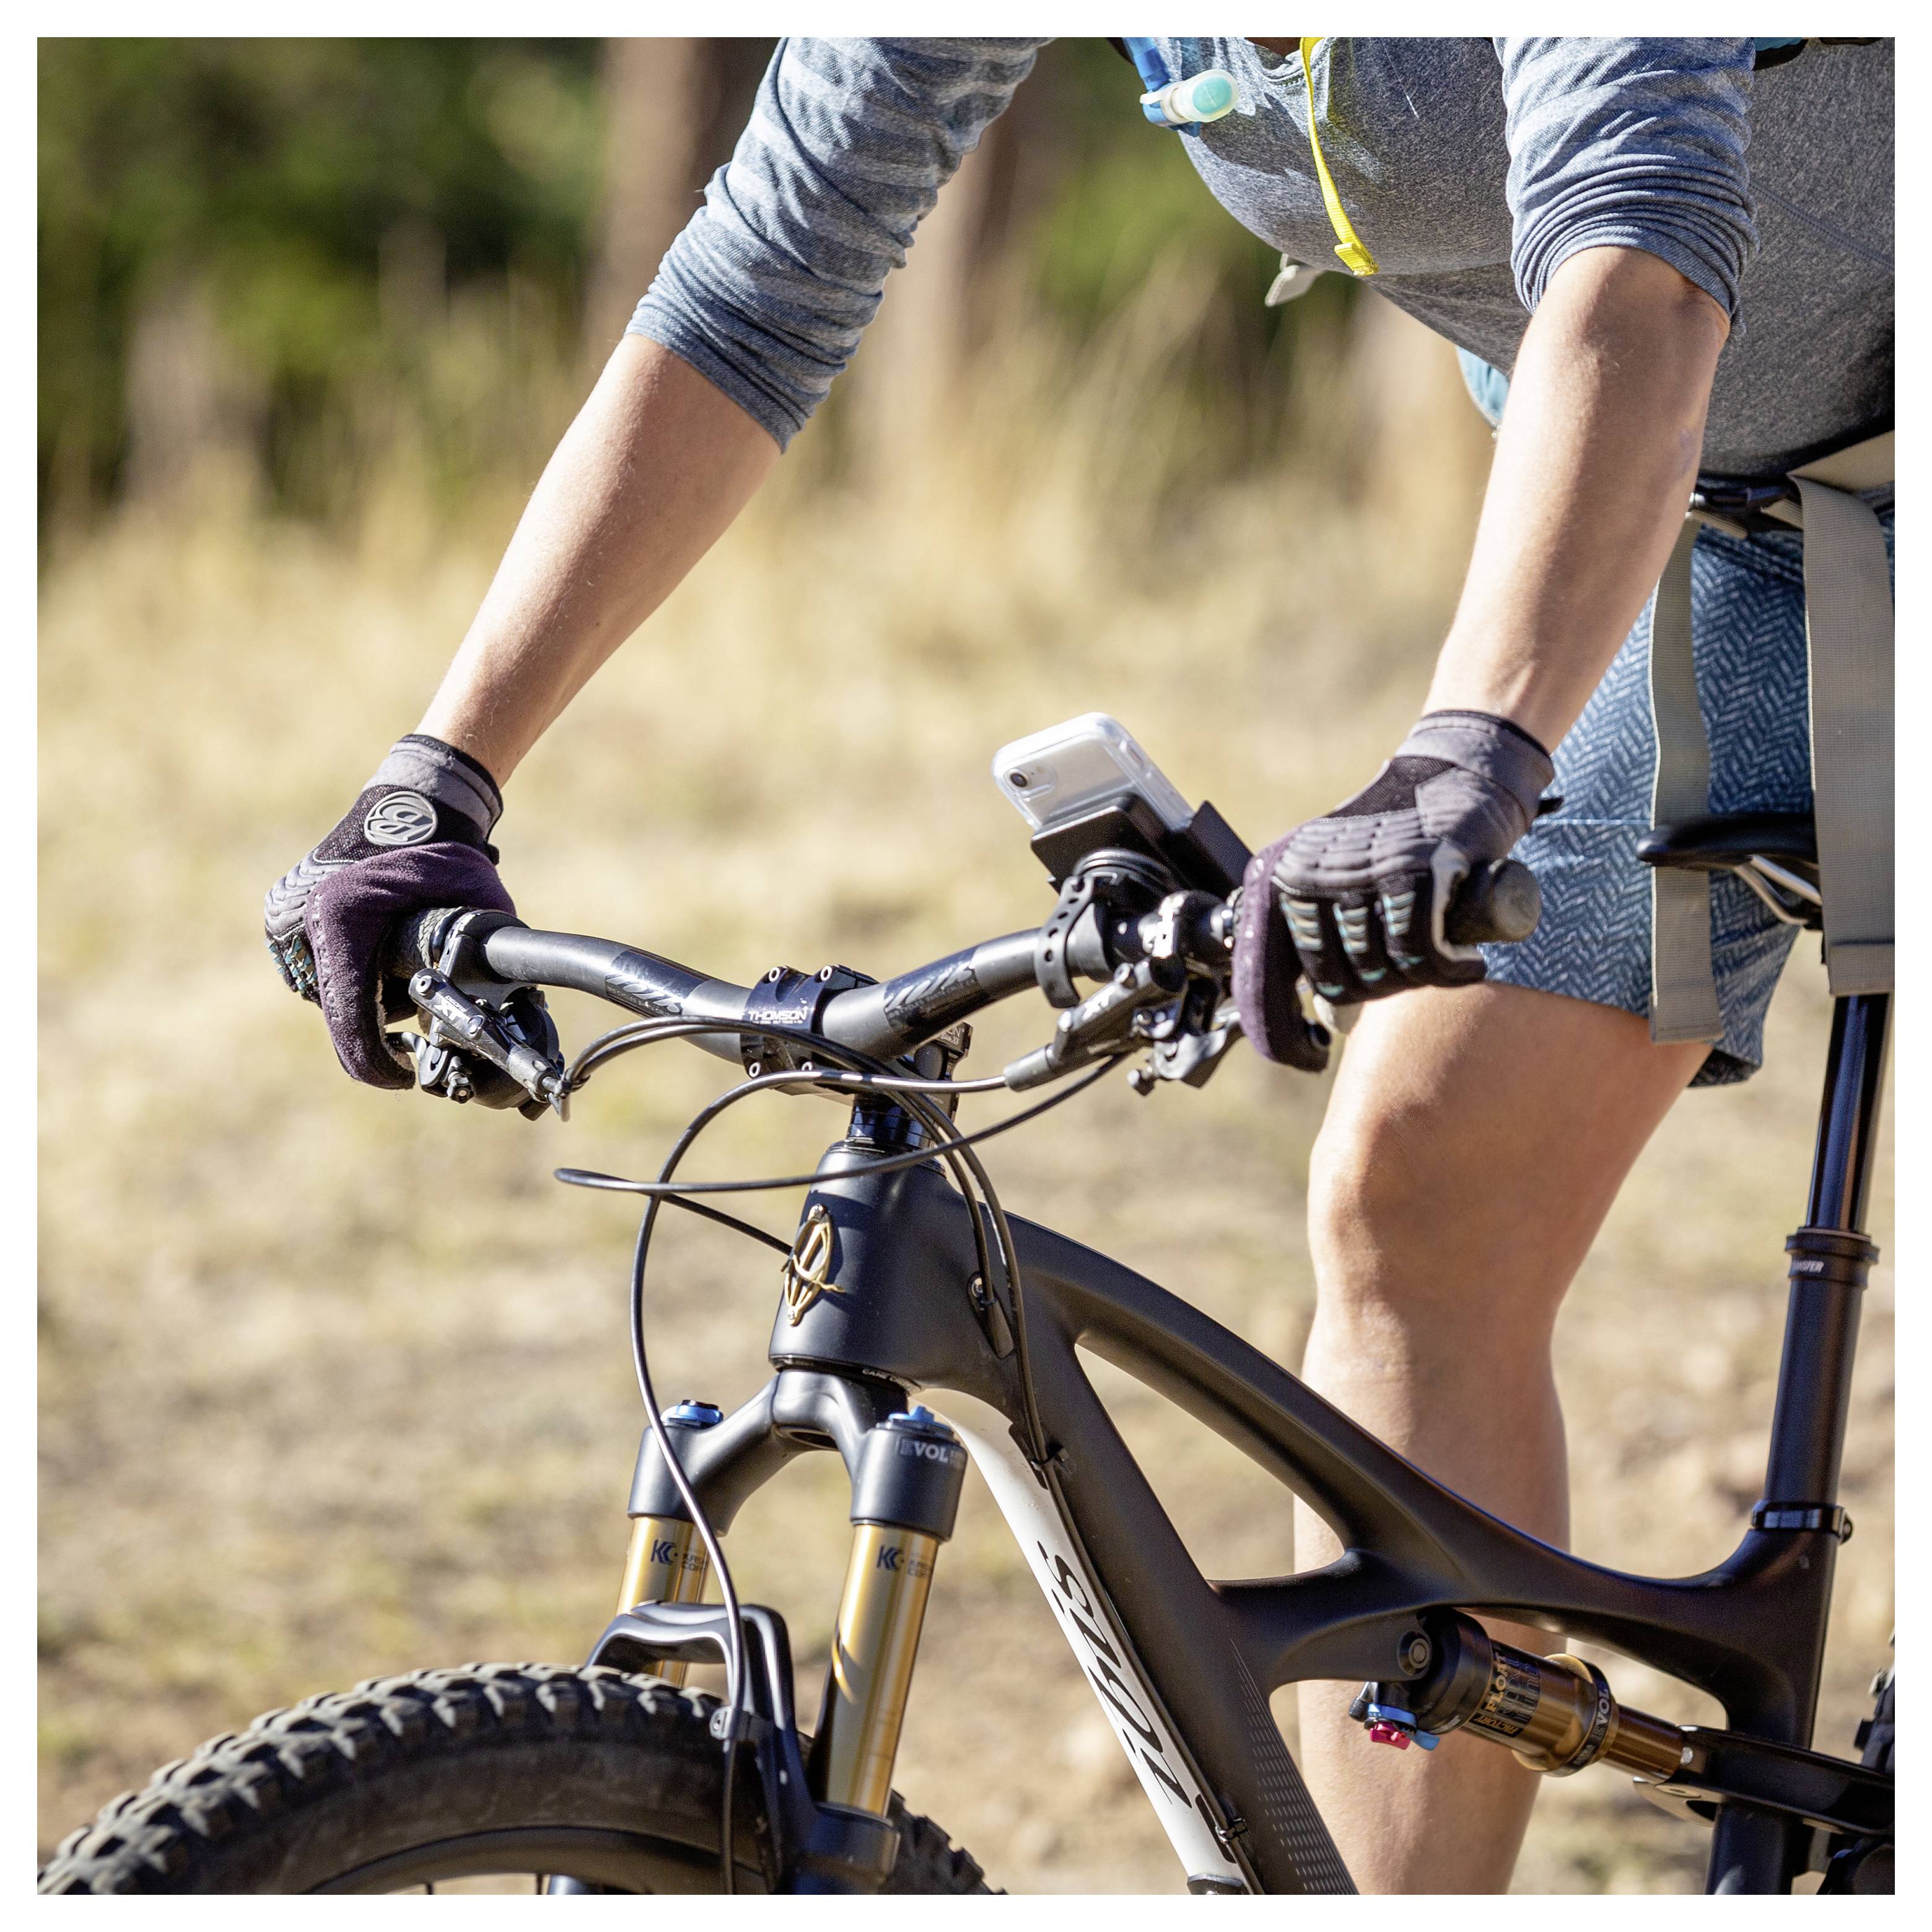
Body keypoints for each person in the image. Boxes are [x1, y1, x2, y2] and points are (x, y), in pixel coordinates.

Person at [263, 38, 1894, 1893]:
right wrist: (439, 772)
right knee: (1420, 1191)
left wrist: (1471, 755)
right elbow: (759, 281)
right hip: (1737, 516)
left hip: (1703, 400)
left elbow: (1643, 242)